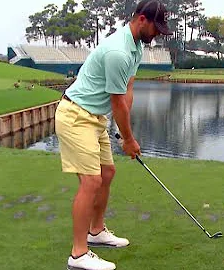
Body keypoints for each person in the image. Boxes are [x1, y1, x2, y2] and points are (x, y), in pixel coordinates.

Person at [54, 1, 172, 269]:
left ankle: (96, 232)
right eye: (156, 28)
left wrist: (122, 130)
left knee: (107, 173)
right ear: (142, 19)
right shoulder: (118, 50)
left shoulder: (137, 46)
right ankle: (78, 254)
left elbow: (127, 89)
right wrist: (129, 140)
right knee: (91, 182)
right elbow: (117, 101)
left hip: (96, 118)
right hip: (76, 116)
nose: (157, 34)